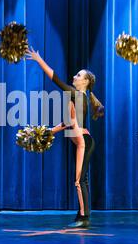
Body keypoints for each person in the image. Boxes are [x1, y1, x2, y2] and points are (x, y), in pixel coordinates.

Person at [26, 47, 104, 228]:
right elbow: (68, 123)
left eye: (78, 75)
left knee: (79, 180)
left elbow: (55, 78)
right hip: (81, 143)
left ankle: (84, 218)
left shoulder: (77, 94)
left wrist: (39, 60)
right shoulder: (76, 98)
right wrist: (47, 132)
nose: (75, 77)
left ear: (85, 82)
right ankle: (81, 214)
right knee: (81, 179)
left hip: (84, 143)